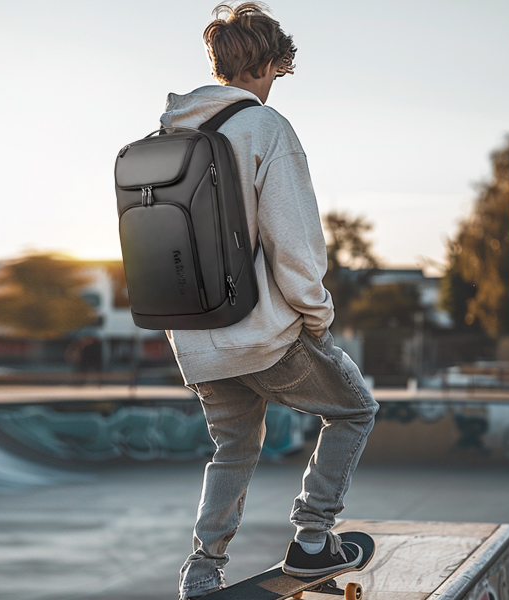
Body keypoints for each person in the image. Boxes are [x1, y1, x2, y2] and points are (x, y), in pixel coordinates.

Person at [159, 4, 377, 598]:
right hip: (263, 332)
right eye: (279, 67)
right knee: (354, 410)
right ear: (269, 62)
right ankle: (313, 539)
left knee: (233, 449)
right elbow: (295, 243)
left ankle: (202, 572)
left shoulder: (171, 135)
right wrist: (317, 318)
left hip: (195, 338)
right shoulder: (265, 127)